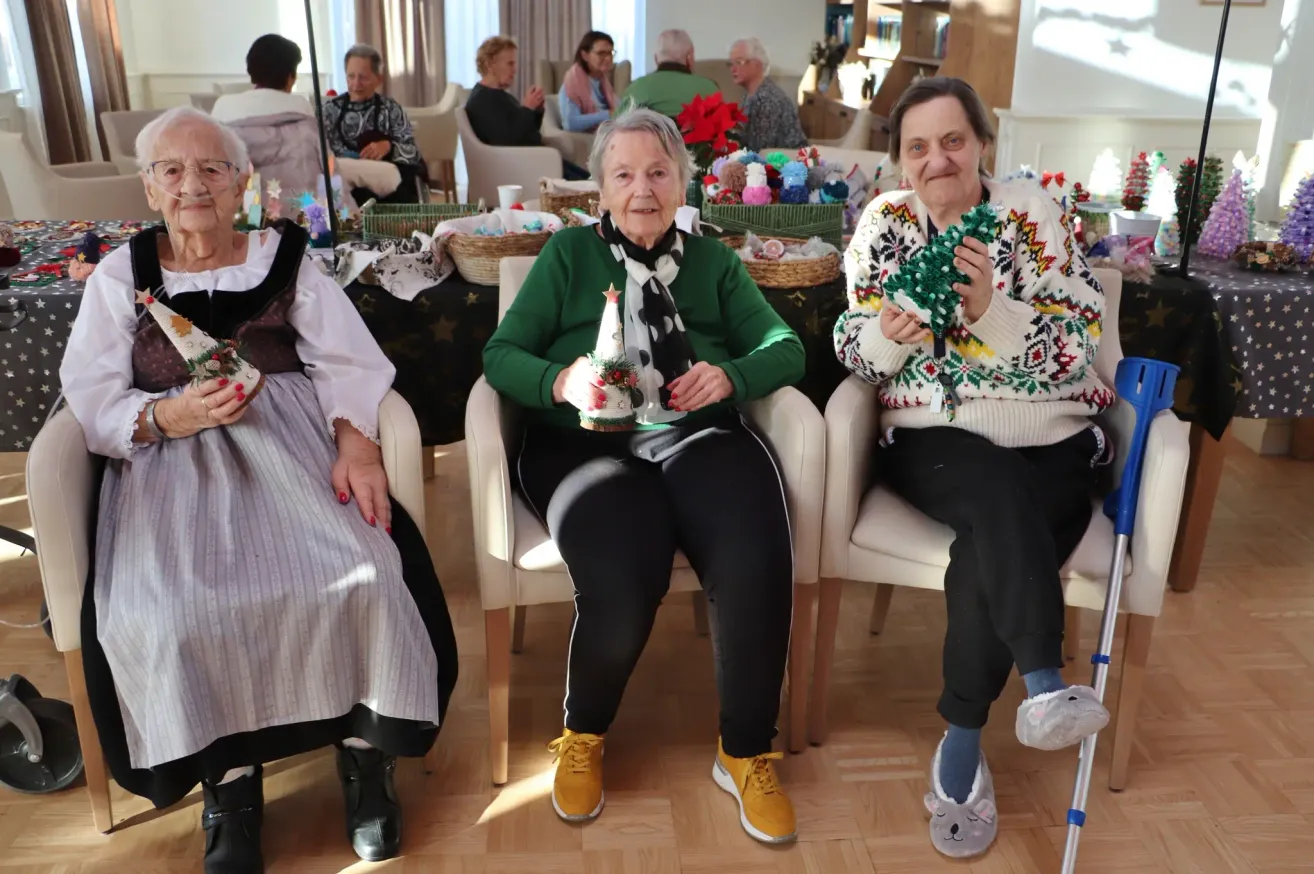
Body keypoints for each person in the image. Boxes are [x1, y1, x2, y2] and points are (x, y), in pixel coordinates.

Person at [59, 106, 458, 873]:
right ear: (148, 188)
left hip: (293, 445)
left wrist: (357, 444)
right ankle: (230, 785)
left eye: (212, 168)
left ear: (243, 181)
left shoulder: (285, 259)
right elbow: (90, 395)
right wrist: (166, 415)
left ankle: (365, 756)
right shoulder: (122, 275)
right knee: (173, 610)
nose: (192, 185)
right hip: (171, 459)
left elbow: (348, 360)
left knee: (368, 574)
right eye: (171, 170)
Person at [482, 107, 805, 845]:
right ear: (598, 189)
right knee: (625, 568)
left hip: (693, 433)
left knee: (755, 549)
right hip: (581, 443)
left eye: (658, 172)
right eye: (623, 174)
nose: (642, 189)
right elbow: (501, 355)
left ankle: (745, 749)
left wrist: (729, 375)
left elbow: (786, 347)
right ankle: (583, 732)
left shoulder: (716, 262)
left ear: (682, 183)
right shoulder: (566, 256)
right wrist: (562, 382)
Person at [834, 76, 1114, 859]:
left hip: (1052, 432)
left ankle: (962, 739)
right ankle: (1043, 686)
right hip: (936, 435)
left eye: (952, 141)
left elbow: (1079, 344)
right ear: (898, 163)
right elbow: (852, 348)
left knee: (986, 546)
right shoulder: (885, 226)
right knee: (994, 489)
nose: (937, 160)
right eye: (917, 148)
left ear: (983, 144)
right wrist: (889, 338)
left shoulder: (1034, 215)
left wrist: (993, 308)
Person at [211, 34, 340, 207]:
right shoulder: (301, 108)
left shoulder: (223, 108)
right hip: (298, 216)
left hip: (240, 214)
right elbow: (328, 168)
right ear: (290, 76)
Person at [465, 35, 590, 181]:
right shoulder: (483, 99)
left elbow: (524, 132)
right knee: (588, 186)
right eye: (510, 64)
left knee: (590, 181)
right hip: (521, 166)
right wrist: (527, 108)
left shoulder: (499, 95)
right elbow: (508, 141)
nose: (515, 70)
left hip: (534, 161)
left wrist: (535, 111)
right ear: (490, 65)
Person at [322, 43, 425, 204]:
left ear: (379, 79)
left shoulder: (390, 109)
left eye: (362, 77)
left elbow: (412, 152)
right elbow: (314, 152)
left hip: (384, 187)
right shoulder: (329, 110)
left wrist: (389, 146)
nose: (356, 84)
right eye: (351, 76)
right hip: (342, 185)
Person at [617, 28, 719, 118]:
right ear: (690, 57)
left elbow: (616, 126)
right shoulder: (710, 88)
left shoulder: (636, 88)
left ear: (656, 59)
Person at [729, 38, 806, 152]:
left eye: (739, 62)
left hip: (788, 164)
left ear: (757, 65)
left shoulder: (767, 99)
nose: (733, 69)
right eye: (731, 63)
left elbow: (761, 151)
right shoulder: (750, 94)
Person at [559, 30, 617, 133]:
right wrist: (608, 115)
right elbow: (570, 123)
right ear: (585, 55)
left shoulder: (603, 82)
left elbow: (619, 109)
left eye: (610, 53)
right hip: (589, 140)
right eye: (601, 53)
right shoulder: (573, 83)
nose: (608, 58)